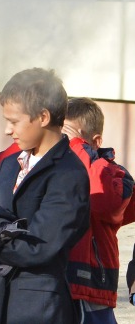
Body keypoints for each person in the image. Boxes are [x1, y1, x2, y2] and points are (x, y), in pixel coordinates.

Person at [0, 68, 90, 323]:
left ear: (43, 117)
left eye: (14, 121)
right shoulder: (9, 164)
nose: (7, 130)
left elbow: (37, 247)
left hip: (37, 309)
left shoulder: (68, 174)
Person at [62, 97, 133, 323]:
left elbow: (105, 205)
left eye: (70, 140)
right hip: (57, 283)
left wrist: (78, 150)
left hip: (92, 284)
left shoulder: (108, 173)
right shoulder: (52, 166)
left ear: (95, 142)